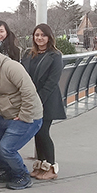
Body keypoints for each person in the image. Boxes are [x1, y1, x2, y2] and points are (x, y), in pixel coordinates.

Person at [0, 44, 43, 190]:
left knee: (7, 148)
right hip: (6, 115)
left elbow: (29, 91)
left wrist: (24, 115)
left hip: (27, 116)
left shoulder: (11, 67)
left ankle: (22, 176)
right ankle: (8, 171)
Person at [21, 24, 65, 180]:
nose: (39, 38)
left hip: (47, 100)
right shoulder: (28, 54)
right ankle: (41, 165)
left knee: (43, 132)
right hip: (30, 98)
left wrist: (37, 100)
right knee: (36, 133)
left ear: (49, 37)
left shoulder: (55, 55)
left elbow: (52, 82)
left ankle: (51, 167)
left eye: (43, 35)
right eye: (37, 35)